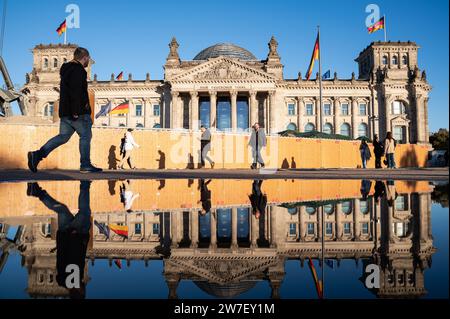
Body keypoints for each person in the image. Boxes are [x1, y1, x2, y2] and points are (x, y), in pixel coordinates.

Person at [27, 47, 102, 173]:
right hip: (77, 112)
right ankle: (85, 164)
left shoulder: (66, 70)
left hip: (65, 113)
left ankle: (37, 155)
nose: (88, 62)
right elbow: (76, 91)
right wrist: (76, 110)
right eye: (88, 59)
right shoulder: (79, 70)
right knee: (85, 136)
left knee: (63, 137)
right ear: (84, 58)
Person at [26, 181, 91, 299]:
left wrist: (74, 237)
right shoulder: (66, 281)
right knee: (62, 210)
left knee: (84, 211)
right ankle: (37, 192)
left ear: (79, 293)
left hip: (76, 234)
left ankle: (85, 183)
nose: (84, 288)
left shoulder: (73, 280)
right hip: (66, 233)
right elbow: (62, 256)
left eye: (83, 291)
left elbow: (72, 256)